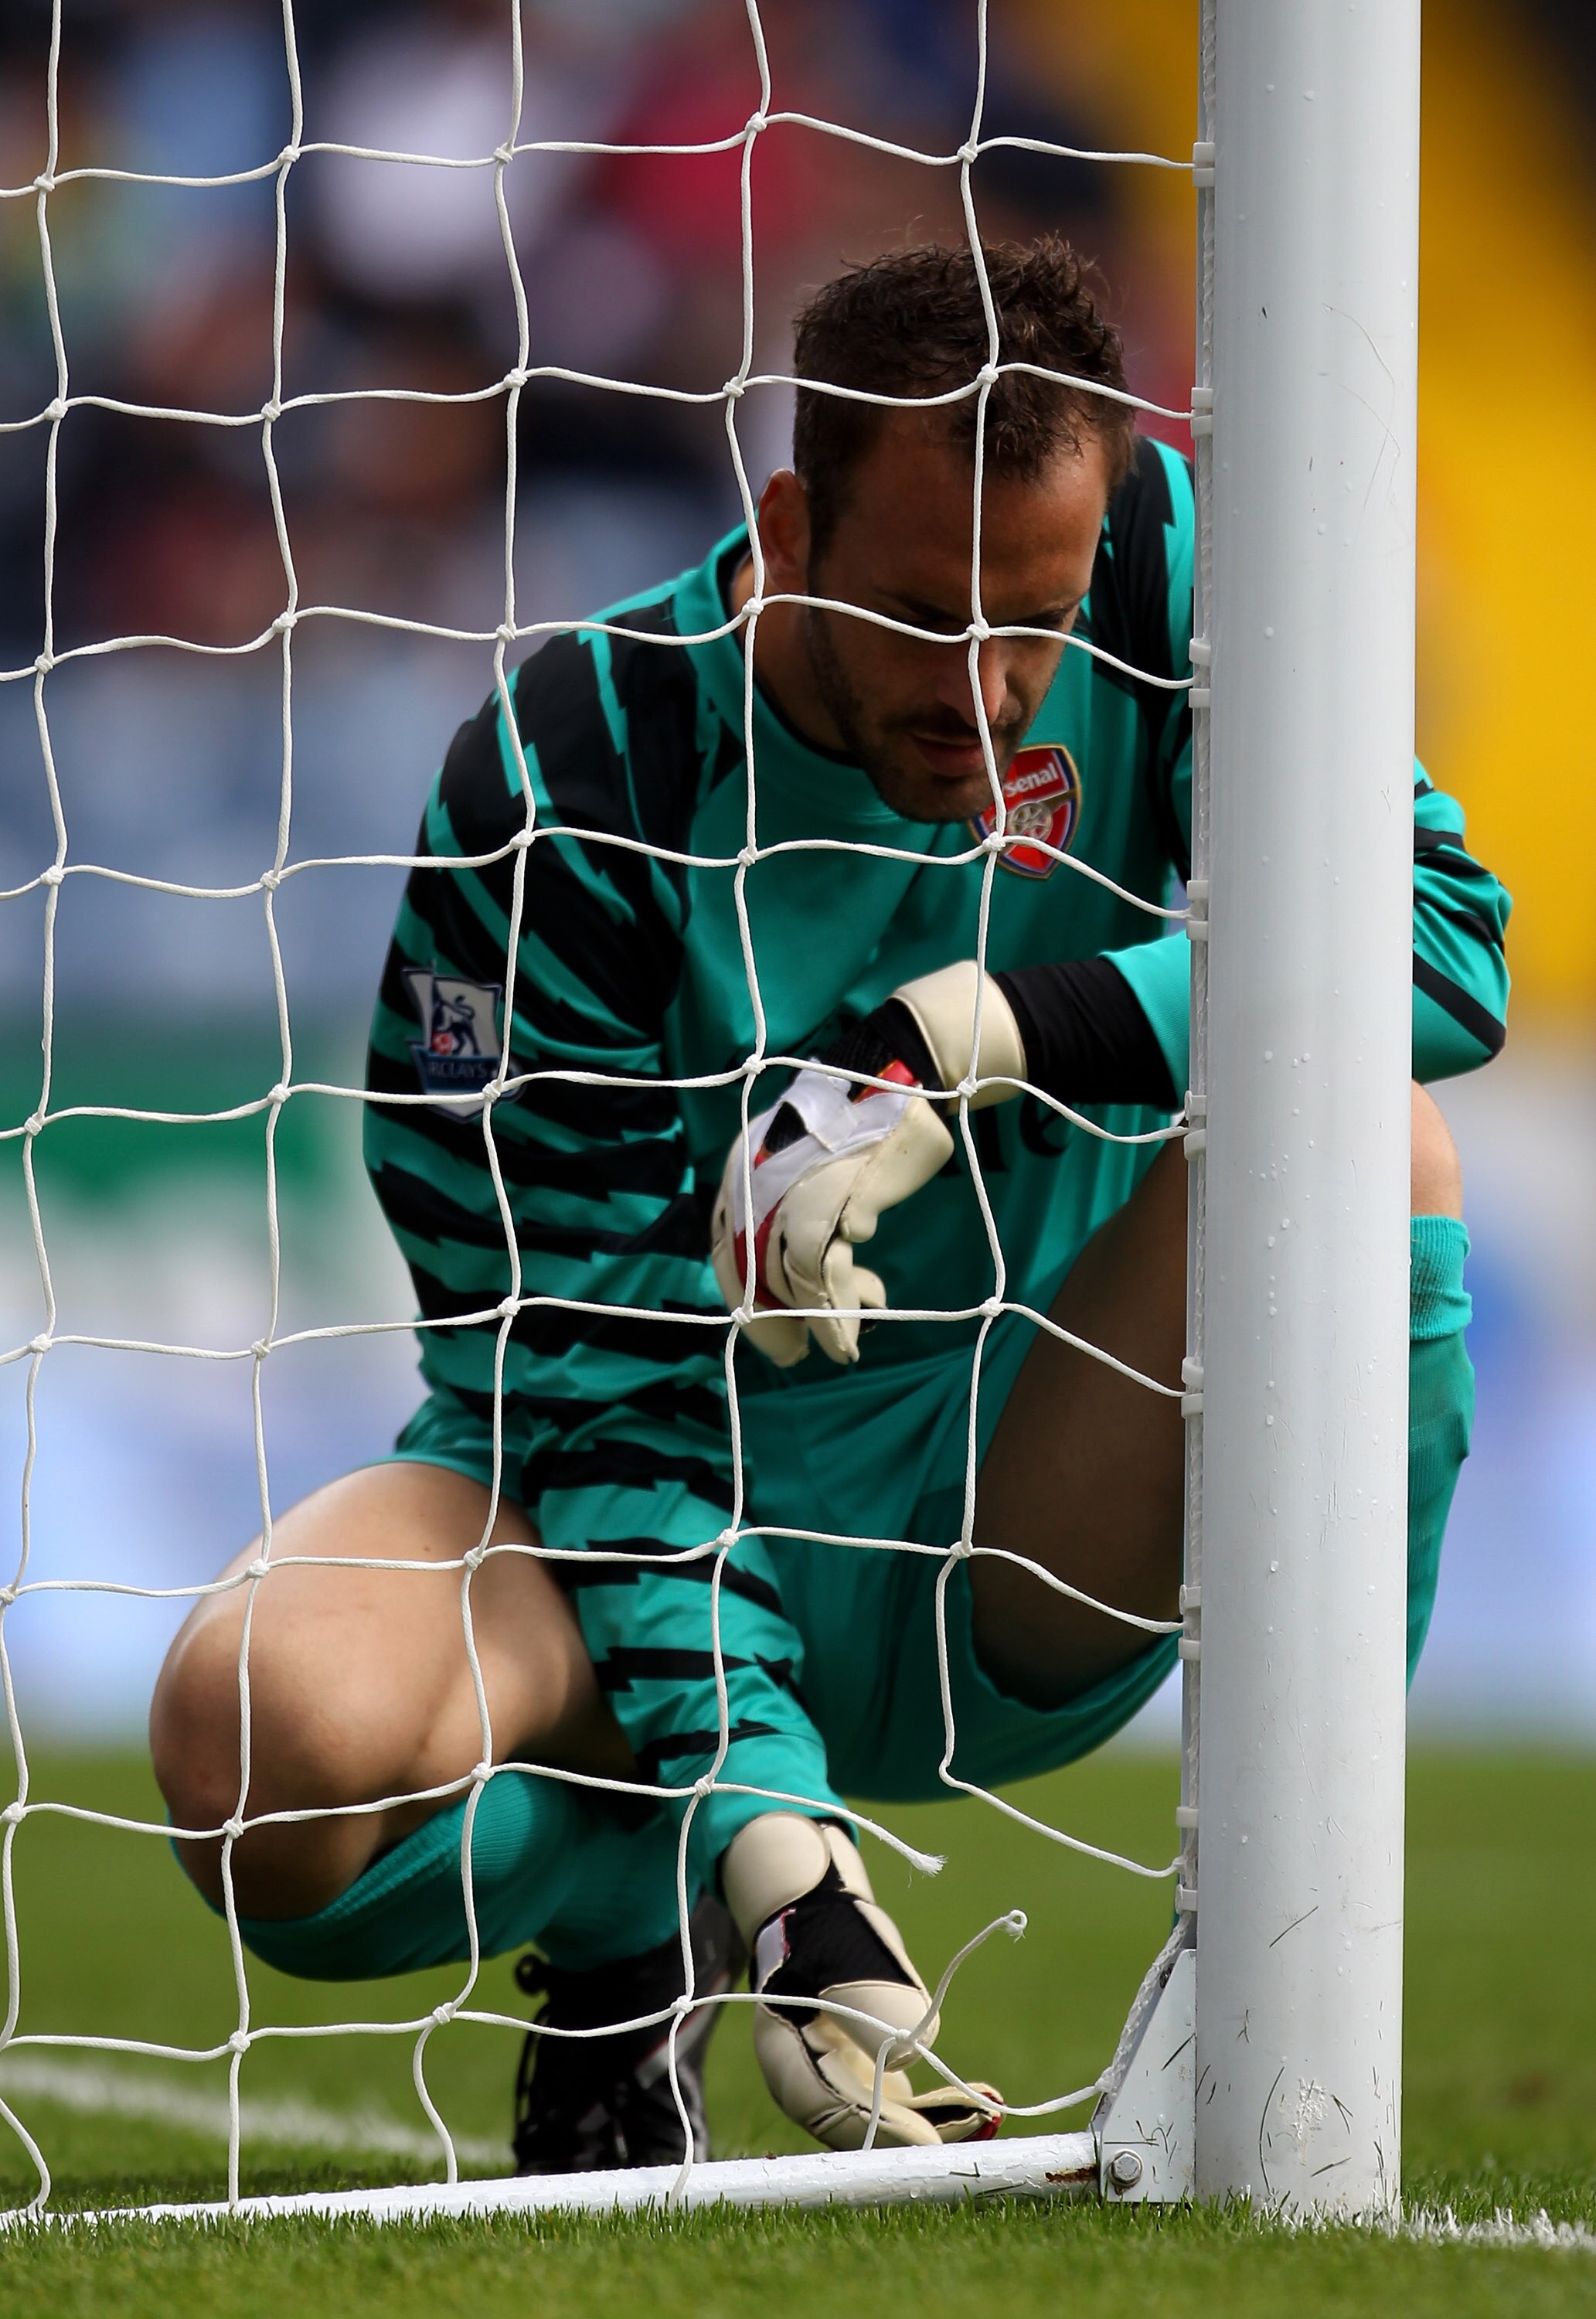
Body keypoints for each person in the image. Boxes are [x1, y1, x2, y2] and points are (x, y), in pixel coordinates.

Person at [151, 240, 1506, 2174]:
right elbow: (589, 1369)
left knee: (1374, 1145)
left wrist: (975, 1030)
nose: (986, 695)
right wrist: (776, 1854)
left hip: (1021, 1494)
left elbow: (1448, 946)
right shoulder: (574, 767)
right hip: (619, 1503)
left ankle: (1304, 1943)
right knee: (250, 1756)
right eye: (923, 616)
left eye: (1027, 631)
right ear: (788, 524)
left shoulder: (1162, 570)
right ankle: (641, 1918)